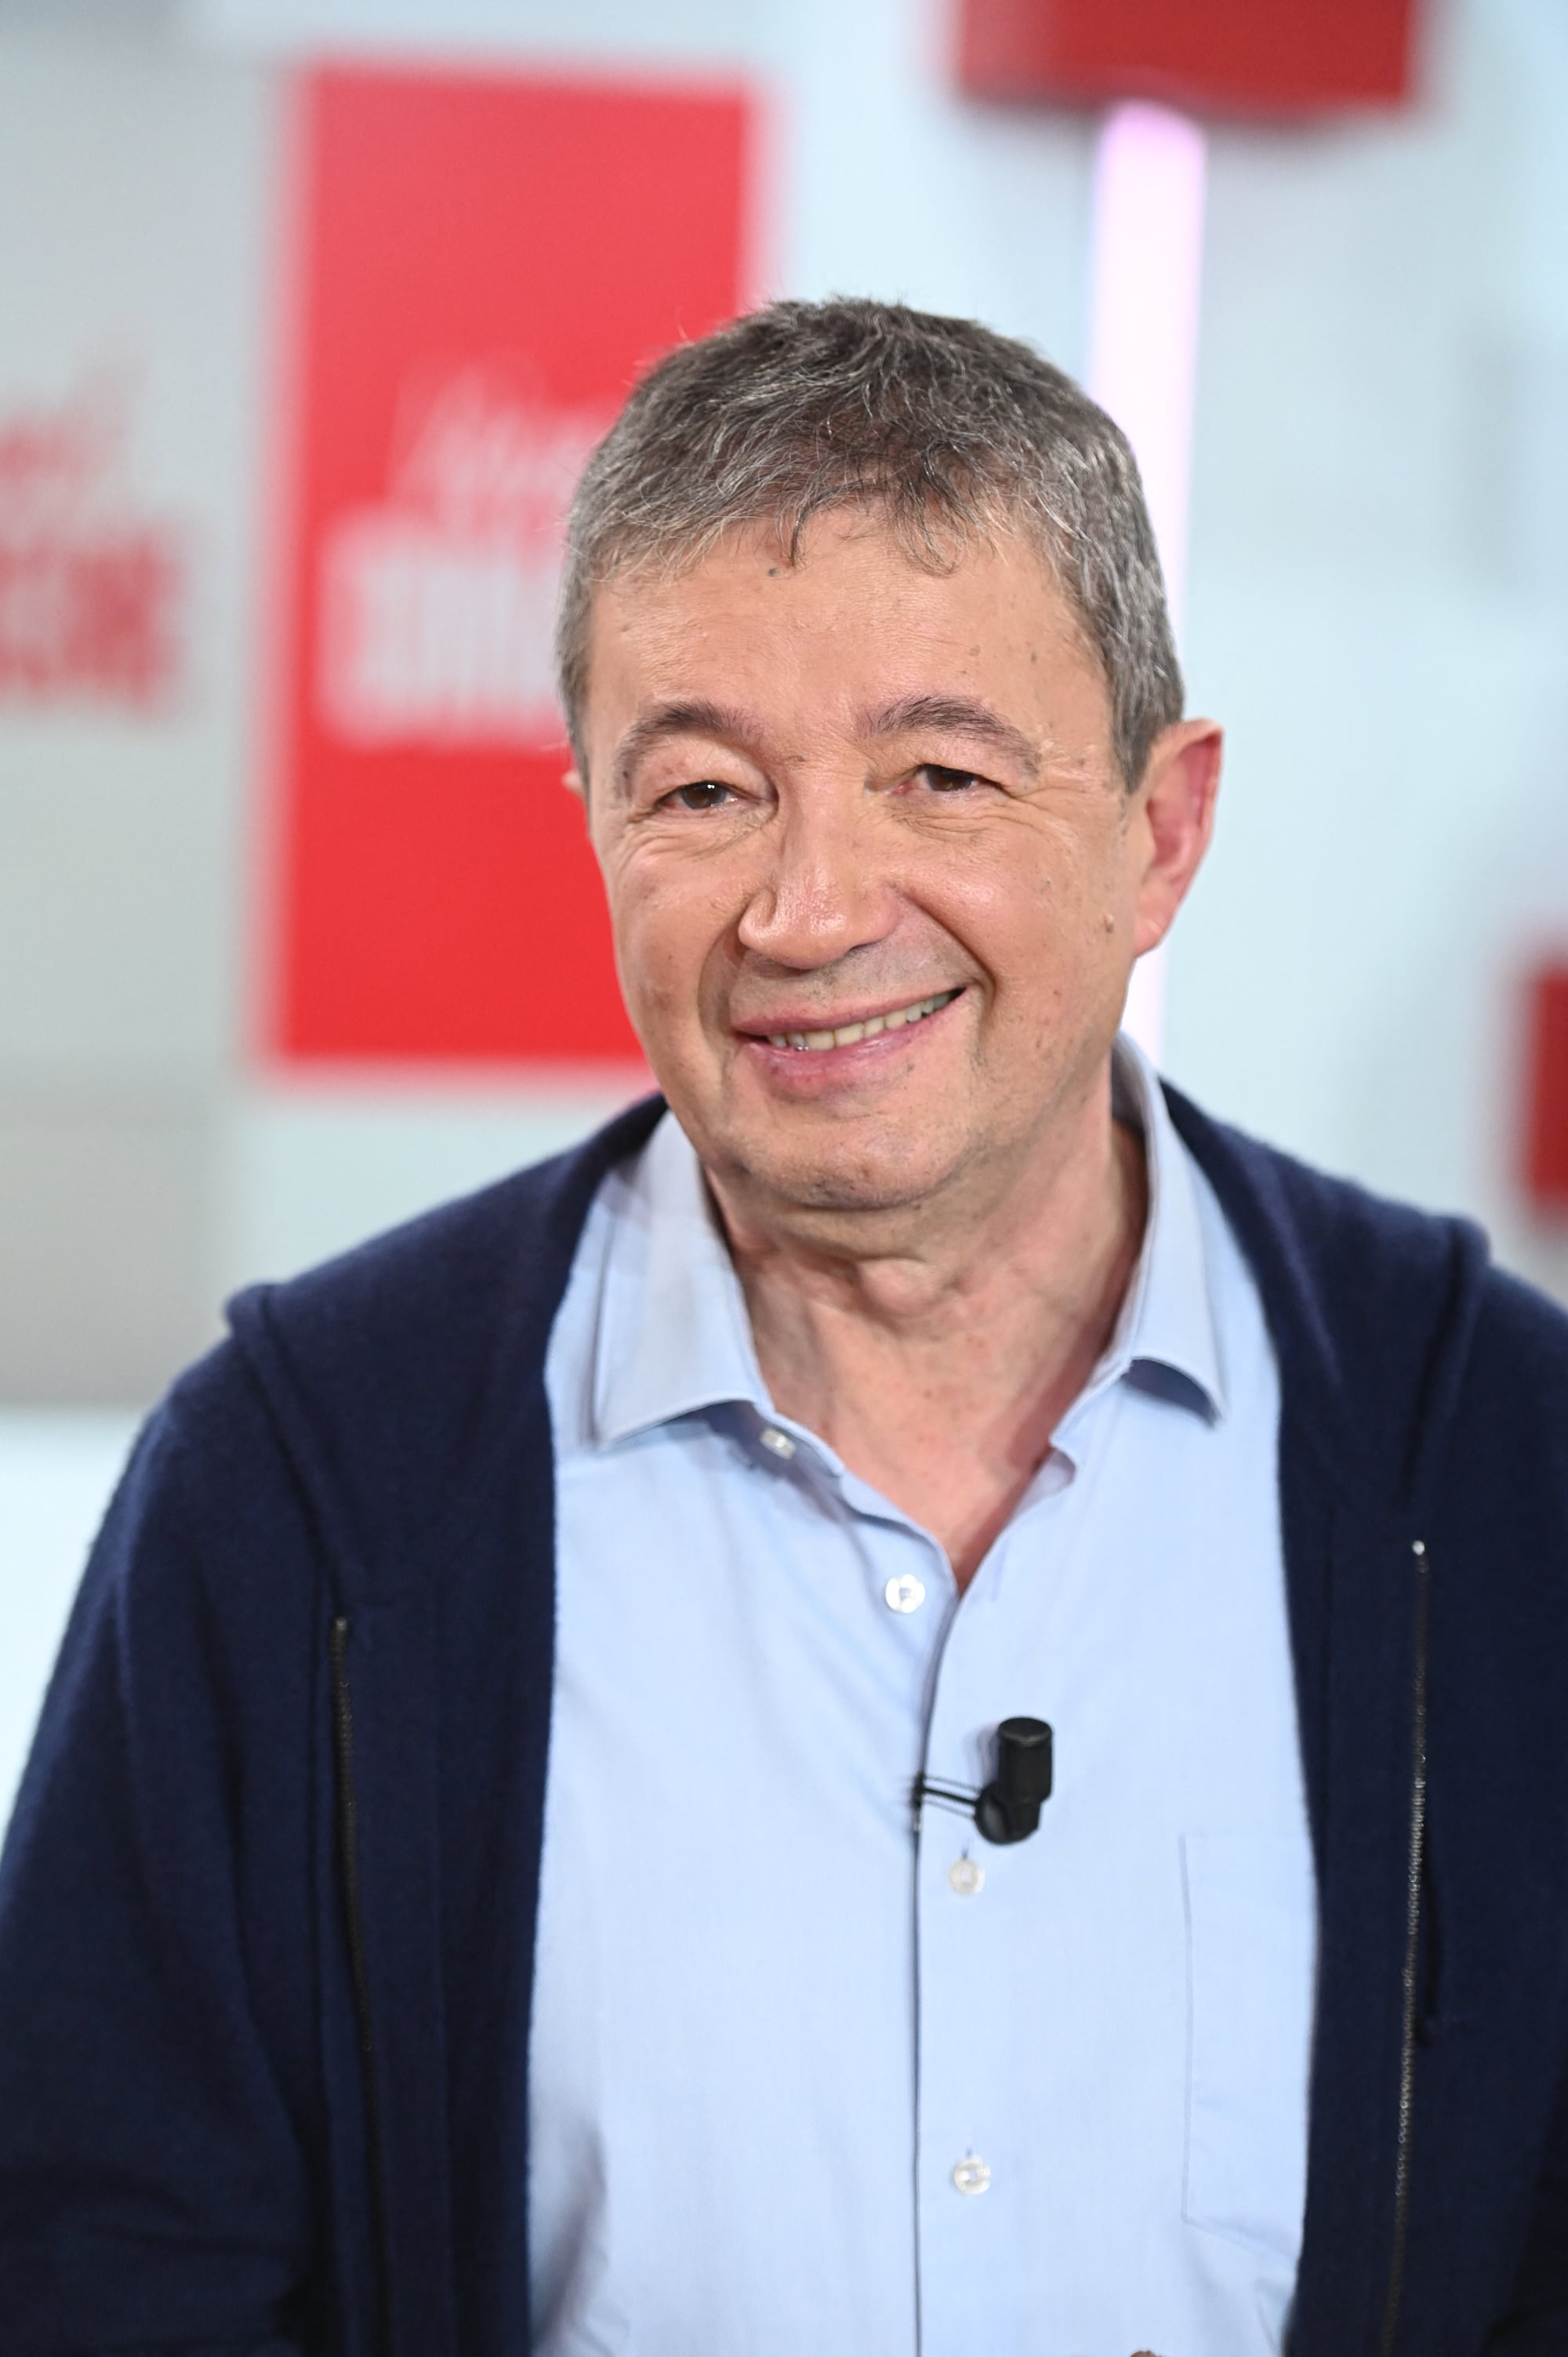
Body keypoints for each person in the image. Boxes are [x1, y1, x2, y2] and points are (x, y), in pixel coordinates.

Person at [2, 298, 1567, 2357]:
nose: (811, 911)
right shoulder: (302, 1490)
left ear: (1161, 831)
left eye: (941, 775)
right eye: (705, 793)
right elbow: (105, 2278)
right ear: (593, 821)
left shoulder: (1501, 1458)